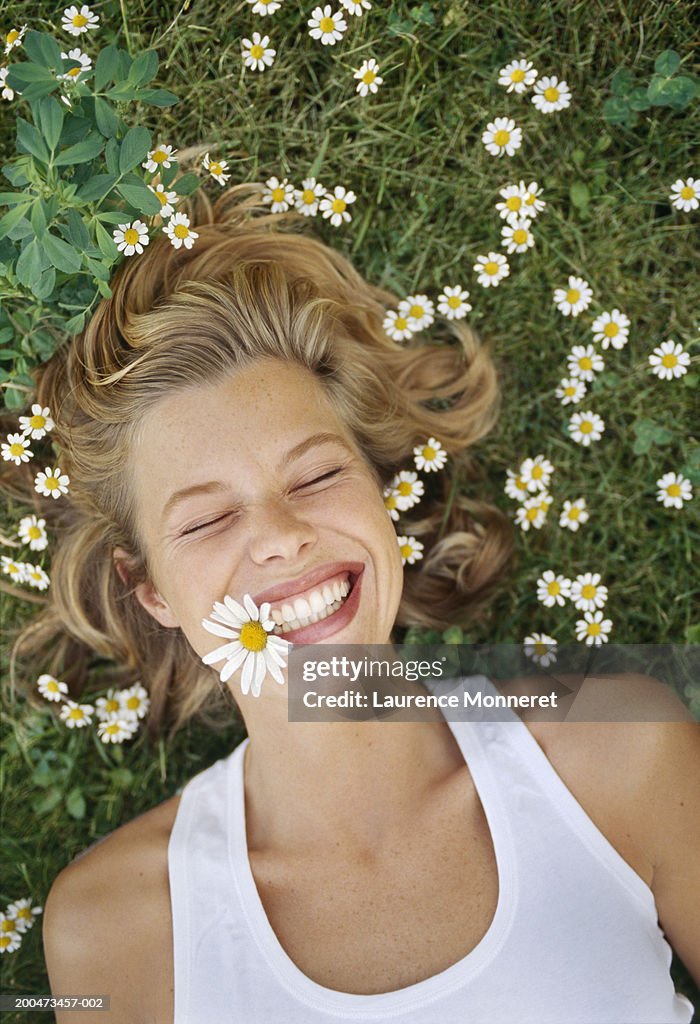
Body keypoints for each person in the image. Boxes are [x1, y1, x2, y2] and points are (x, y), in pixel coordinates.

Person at [5, 185, 697, 1022]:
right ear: (151, 591)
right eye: (210, 518)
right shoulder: (114, 927)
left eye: (317, 475)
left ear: (379, 493)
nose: (281, 537)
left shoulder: (618, 756)